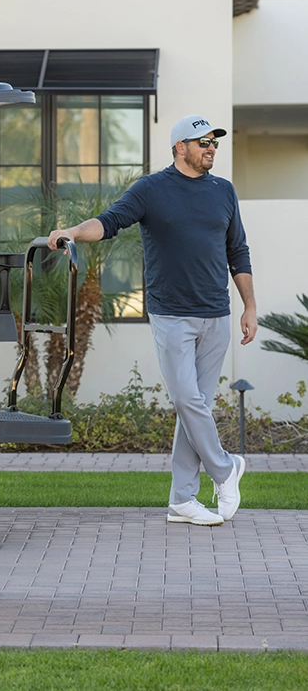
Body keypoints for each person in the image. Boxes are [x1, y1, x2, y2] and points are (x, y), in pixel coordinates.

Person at [47, 114, 257, 526]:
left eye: (214, 143)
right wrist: (70, 230)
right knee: (186, 398)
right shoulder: (151, 189)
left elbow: (239, 252)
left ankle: (182, 500)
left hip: (217, 314)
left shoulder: (224, 191)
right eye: (203, 143)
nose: (211, 148)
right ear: (180, 147)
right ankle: (225, 468)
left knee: (194, 407)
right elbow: (107, 223)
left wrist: (249, 306)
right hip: (172, 314)